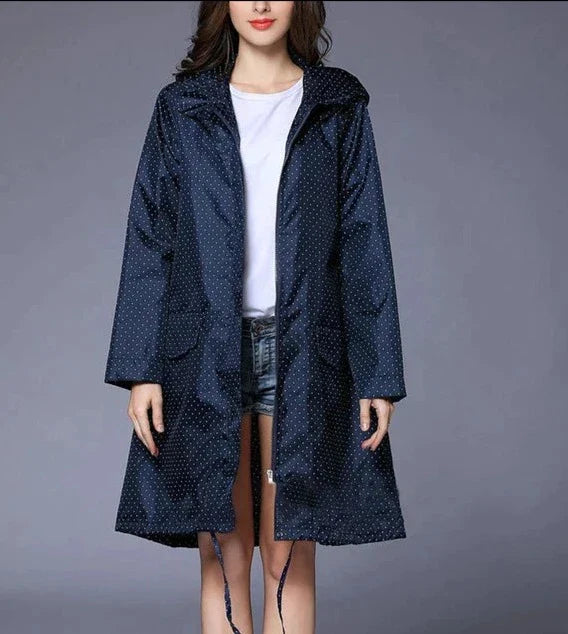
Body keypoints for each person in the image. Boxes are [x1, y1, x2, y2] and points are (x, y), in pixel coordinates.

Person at [104, 1, 408, 632]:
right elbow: (150, 238)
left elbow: (364, 238)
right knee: (223, 552)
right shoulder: (183, 108)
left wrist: (378, 373)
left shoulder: (336, 104)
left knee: (288, 552)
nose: (262, 5)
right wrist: (141, 369)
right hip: (202, 349)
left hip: (305, 347)